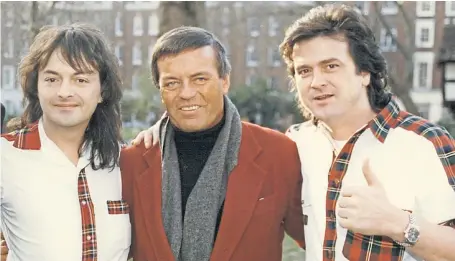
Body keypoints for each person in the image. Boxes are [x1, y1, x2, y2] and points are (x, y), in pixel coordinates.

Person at [281, 4, 455, 261]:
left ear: (364, 73)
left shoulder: (423, 140)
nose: (316, 82)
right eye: (304, 71)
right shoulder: (295, 143)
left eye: (331, 66)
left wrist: (398, 223)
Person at [121, 26, 305, 261]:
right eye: (172, 83)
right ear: (161, 90)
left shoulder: (279, 153)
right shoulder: (132, 160)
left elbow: (320, 237)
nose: (186, 93)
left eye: (200, 79)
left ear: (224, 81)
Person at [0, 24, 130, 261]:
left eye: (80, 80)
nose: (64, 91)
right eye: (52, 79)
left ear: (102, 90)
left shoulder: (125, 161)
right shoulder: (6, 155)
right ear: (36, 86)